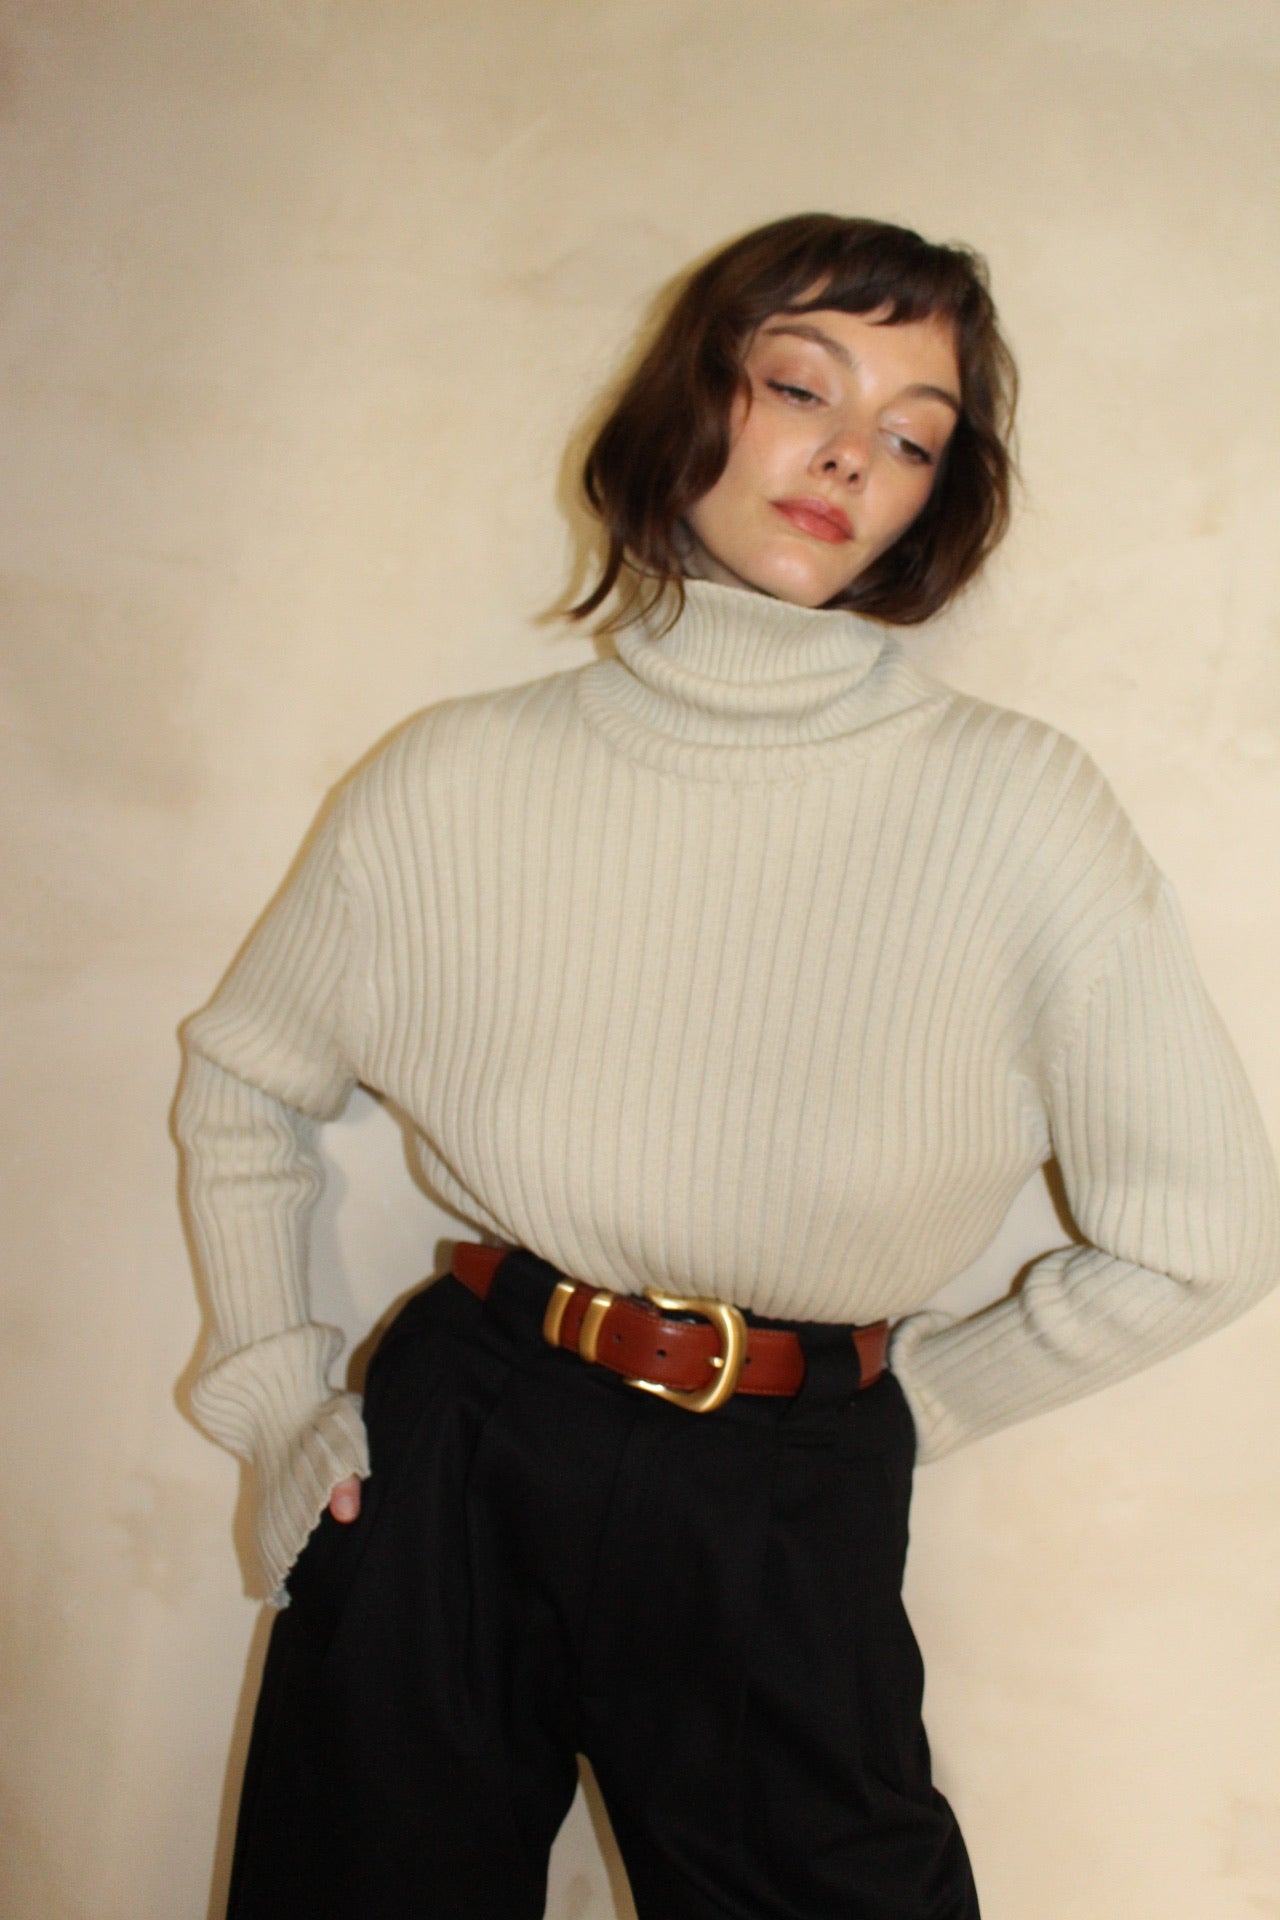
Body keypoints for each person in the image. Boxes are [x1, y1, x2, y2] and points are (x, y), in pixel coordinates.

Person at [175, 214, 1279, 1920]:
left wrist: (918, 1405)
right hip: (459, 1438)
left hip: (784, 1484)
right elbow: (246, 1085)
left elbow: (1203, 1231)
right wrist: (272, 1394)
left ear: (934, 500)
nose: (850, 455)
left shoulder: (1021, 808)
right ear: (692, 399)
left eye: (912, 436)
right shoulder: (452, 777)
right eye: (801, 387)